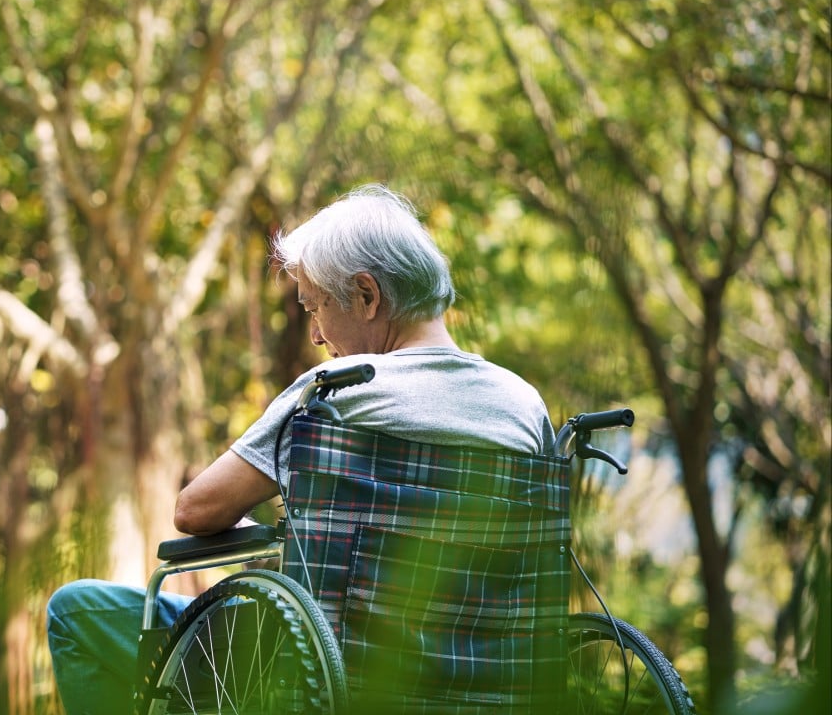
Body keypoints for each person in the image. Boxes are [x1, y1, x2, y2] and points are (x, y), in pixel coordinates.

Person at [46, 183, 555, 714]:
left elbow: (195, 511)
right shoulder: (524, 406)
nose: (315, 335)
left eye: (316, 308)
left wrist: (266, 536)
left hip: (322, 675)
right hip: (491, 683)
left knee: (75, 611)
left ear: (366, 295)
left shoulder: (338, 390)